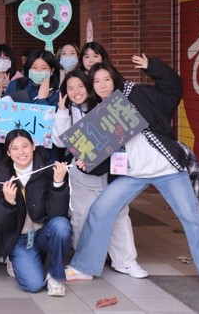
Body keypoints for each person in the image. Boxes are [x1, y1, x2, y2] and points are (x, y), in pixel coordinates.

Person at [68, 56, 199, 294]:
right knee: (100, 209)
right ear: (92, 86)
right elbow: (101, 163)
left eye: (107, 79)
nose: (102, 85)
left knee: (192, 217)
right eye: (96, 81)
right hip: (132, 174)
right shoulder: (99, 115)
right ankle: (84, 267)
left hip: (167, 169)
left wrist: (153, 67)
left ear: (114, 79)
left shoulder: (137, 94)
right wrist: (84, 162)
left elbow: (174, 88)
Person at [52, 71, 147, 281]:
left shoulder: (103, 107)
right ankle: (83, 262)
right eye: (70, 88)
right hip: (81, 176)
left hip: (109, 172)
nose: (76, 92)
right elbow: (59, 141)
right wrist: (62, 111)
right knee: (81, 217)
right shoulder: (66, 112)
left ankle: (125, 261)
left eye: (80, 86)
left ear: (88, 87)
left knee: (119, 214)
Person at [0, 129, 71, 297]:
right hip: (20, 238)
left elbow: (57, 213)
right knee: (33, 285)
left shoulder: (48, 169)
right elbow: (2, 225)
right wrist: (8, 202)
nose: (21, 152)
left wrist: (58, 183)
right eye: (15, 148)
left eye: (25, 146)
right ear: (8, 152)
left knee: (62, 226)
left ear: (33, 146)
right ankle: (16, 259)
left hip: (43, 232)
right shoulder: (3, 176)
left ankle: (55, 276)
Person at [5, 49, 62, 161]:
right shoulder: (15, 86)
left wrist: (42, 100)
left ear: (52, 70)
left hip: (45, 156)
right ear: (28, 69)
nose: (38, 71)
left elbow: (48, 129)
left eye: (44, 68)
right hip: (17, 153)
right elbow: (3, 114)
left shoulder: (57, 95)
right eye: (34, 68)